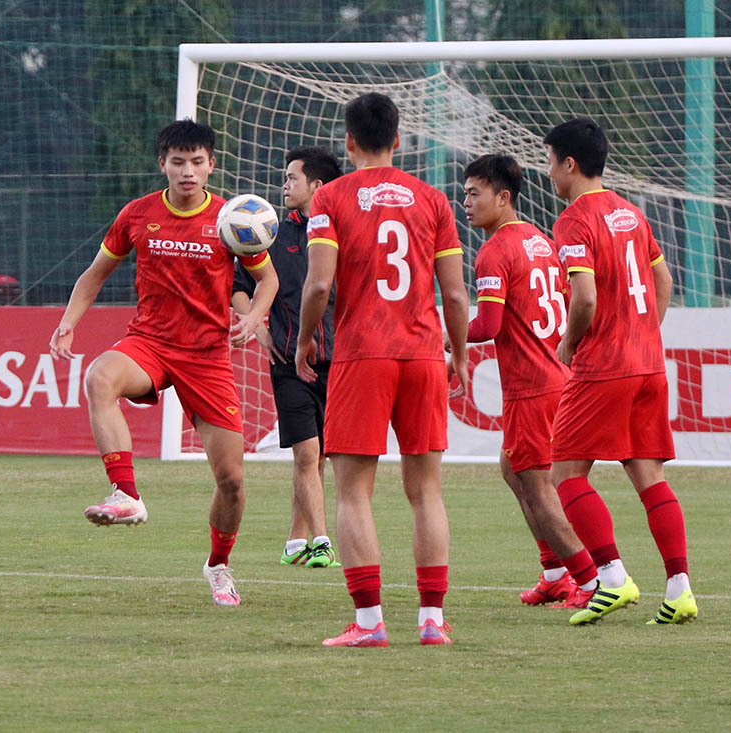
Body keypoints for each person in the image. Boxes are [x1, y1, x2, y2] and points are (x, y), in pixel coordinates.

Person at [49, 119, 279, 607]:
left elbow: (268, 281)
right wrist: (69, 321)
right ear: (163, 165)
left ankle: (218, 566)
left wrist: (253, 317)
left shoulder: (232, 218)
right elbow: (94, 276)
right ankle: (125, 494)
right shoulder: (138, 214)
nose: (188, 171)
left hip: (208, 358)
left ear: (211, 165)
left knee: (232, 483)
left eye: (197, 162)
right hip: (150, 343)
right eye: (178, 162)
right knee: (99, 377)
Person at [295, 92, 470, 646]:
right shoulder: (434, 201)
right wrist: (460, 354)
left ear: (348, 142)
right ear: (398, 140)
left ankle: (370, 622)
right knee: (426, 491)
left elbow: (319, 283)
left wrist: (303, 342)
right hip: (422, 355)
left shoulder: (330, 199)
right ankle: (432, 621)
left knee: (352, 492)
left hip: (362, 354)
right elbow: (457, 296)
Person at [544, 118, 698, 625]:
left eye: (550, 162)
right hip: (648, 364)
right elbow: (664, 279)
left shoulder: (573, 220)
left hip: (604, 366)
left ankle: (611, 577)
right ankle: (680, 589)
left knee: (564, 473)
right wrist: (644, 333)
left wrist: (568, 344)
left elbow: (584, 296)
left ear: (570, 164)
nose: (548, 173)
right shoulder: (631, 213)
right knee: (648, 475)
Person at [454, 153, 599, 609]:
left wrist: (438, 335)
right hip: (557, 379)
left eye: (475, 194)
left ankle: (591, 580)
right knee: (511, 468)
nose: (466, 202)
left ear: (503, 197)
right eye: (464, 193)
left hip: (533, 388)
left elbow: (488, 325)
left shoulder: (494, 250)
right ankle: (555, 572)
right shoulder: (539, 240)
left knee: (540, 487)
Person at [232, 145, 343, 569]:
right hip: (288, 363)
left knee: (321, 457)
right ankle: (321, 541)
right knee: (306, 455)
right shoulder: (270, 234)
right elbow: (239, 286)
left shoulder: (340, 233)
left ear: (316, 185)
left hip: (338, 363)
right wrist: (258, 327)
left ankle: (294, 540)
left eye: (292, 177)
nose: (284, 184)